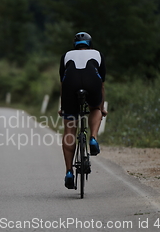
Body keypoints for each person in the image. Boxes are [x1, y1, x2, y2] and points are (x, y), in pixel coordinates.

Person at [58, 32, 107, 189]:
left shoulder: (66, 55)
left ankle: (69, 172)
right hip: (92, 83)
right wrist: (101, 107)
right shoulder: (97, 54)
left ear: (75, 46)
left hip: (70, 86)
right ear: (90, 45)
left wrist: (63, 106)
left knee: (69, 129)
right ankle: (93, 138)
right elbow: (101, 84)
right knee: (95, 108)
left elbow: (63, 83)